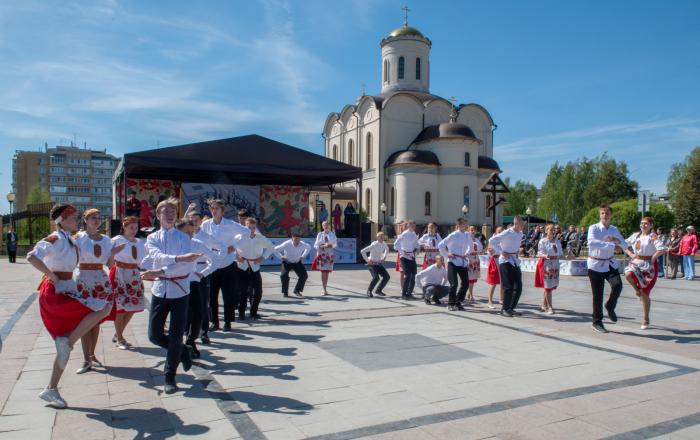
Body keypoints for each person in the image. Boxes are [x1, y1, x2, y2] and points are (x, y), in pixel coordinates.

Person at [27, 204, 115, 408]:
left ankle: (51, 388)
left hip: (67, 288)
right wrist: (51, 275)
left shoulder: (68, 239)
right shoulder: (56, 238)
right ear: (62, 220)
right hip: (56, 292)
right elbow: (32, 256)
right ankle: (66, 343)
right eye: (73, 217)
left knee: (102, 307)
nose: (76, 220)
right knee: (102, 307)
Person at [143, 198, 202, 394]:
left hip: (180, 292)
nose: (169, 214)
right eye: (165, 211)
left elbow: (186, 266)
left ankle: (170, 377)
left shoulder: (184, 238)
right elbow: (157, 256)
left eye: (172, 211)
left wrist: (160, 271)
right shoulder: (152, 239)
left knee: (176, 336)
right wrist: (177, 259)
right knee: (154, 335)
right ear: (158, 215)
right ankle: (183, 351)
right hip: (160, 291)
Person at [72, 208, 124, 374]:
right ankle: (86, 359)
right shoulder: (78, 238)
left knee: (95, 320)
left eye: (98, 217)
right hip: (83, 280)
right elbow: (70, 257)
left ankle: (91, 354)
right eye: (93, 218)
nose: (96, 220)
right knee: (84, 321)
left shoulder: (107, 240)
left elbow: (109, 264)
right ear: (85, 220)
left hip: (100, 280)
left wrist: (114, 253)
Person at [183, 203, 228, 344]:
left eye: (196, 221)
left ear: (200, 221)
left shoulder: (205, 236)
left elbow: (222, 248)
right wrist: (187, 210)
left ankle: (204, 332)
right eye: (191, 220)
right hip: (185, 273)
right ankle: (187, 330)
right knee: (186, 304)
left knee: (203, 304)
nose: (193, 223)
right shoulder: (182, 236)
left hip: (201, 272)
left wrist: (210, 268)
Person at [586, 205, 635, 333]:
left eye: (607, 213)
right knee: (598, 295)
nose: (605, 215)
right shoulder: (594, 228)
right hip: (595, 265)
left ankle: (610, 305)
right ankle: (597, 322)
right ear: (599, 215)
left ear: (611, 215)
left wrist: (619, 243)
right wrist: (612, 245)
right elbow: (591, 242)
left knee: (618, 285)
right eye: (602, 213)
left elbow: (623, 244)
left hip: (609, 264)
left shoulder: (614, 229)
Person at [200, 199, 246, 331]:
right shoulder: (206, 225)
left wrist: (235, 246)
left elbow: (246, 232)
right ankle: (214, 321)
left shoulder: (230, 224)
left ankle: (228, 321)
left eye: (217, 208)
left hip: (228, 264)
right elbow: (201, 238)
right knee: (212, 296)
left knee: (228, 295)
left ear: (222, 210)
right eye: (212, 208)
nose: (214, 211)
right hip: (212, 264)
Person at [177, 219, 219, 357]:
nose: (189, 235)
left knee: (198, 313)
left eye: (191, 231)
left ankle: (191, 340)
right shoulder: (172, 245)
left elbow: (214, 259)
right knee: (181, 315)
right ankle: (176, 344)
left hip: (193, 282)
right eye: (186, 232)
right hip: (175, 284)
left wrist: (203, 273)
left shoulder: (197, 243)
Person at [109, 216, 147, 350]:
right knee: (120, 308)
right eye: (131, 227)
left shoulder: (140, 242)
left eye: (136, 227)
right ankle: (120, 338)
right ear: (124, 227)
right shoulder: (116, 240)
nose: (134, 230)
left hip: (134, 274)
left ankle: (118, 333)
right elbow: (108, 257)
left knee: (133, 306)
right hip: (120, 273)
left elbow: (144, 260)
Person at [624, 217, 666, 330]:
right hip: (637, 262)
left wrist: (653, 257)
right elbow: (623, 244)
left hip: (649, 266)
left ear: (651, 225)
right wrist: (630, 253)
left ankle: (646, 318)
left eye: (646, 224)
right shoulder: (636, 235)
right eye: (642, 223)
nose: (643, 225)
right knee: (628, 274)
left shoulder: (652, 236)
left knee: (645, 292)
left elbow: (661, 248)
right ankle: (636, 290)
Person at [233, 217, 274, 319]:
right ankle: (241, 313)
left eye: (253, 227)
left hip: (255, 266)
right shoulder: (238, 237)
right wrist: (237, 257)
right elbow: (229, 248)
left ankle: (253, 312)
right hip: (242, 266)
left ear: (255, 228)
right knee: (242, 291)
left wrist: (262, 257)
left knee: (258, 291)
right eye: (248, 227)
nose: (251, 229)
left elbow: (271, 247)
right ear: (245, 227)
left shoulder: (260, 238)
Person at [489, 216, 525, 317]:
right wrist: (502, 252)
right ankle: (504, 309)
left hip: (514, 260)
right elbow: (492, 241)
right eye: (522, 224)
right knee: (508, 286)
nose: (523, 226)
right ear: (516, 223)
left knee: (518, 286)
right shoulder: (507, 232)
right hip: (505, 261)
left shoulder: (520, 233)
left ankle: (511, 308)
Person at [438, 218, 474, 311]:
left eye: (467, 224)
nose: (467, 226)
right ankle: (450, 303)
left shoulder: (467, 235)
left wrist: (467, 253)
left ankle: (458, 302)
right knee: (454, 284)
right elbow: (441, 245)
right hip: (453, 262)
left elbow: (471, 246)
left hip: (462, 262)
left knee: (466, 283)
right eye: (465, 224)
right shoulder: (453, 235)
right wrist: (447, 254)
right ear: (460, 225)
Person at [534, 224, 565, 315]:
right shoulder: (543, 241)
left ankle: (544, 305)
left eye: (554, 230)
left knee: (550, 286)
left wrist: (563, 255)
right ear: (546, 231)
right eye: (551, 230)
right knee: (547, 286)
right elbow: (539, 253)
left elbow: (560, 252)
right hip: (546, 264)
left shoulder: (557, 241)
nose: (553, 231)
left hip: (555, 264)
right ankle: (550, 307)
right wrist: (545, 255)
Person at [275, 233, 310, 297]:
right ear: (292, 239)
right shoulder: (286, 244)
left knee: (304, 276)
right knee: (283, 276)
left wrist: (303, 256)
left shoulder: (303, 244)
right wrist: (281, 257)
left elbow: (309, 247)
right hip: (287, 262)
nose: (297, 241)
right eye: (295, 240)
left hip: (297, 262)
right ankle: (285, 292)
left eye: (298, 240)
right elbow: (275, 249)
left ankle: (297, 290)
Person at [394, 220, 420, 300]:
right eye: (411, 225)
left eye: (414, 225)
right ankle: (404, 294)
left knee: (414, 275)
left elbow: (416, 244)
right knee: (407, 275)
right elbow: (395, 245)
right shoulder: (404, 234)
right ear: (408, 226)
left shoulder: (414, 234)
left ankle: (409, 293)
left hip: (412, 256)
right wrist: (403, 252)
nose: (413, 227)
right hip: (404, 257)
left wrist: (417, 249)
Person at [360, 232, 390, 297]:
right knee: (376, 278)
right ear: (377, 237)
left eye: (383, 236)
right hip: (372, 264)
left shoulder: (384, 243)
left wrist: (384, 257)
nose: (382, 238)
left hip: (378, 263)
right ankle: (369, 291)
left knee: (387, 277)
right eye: (381, 237)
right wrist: (367, 260)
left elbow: (387, 249)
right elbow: (362, 251)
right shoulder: (374, 245)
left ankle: (378, 290)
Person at [312, 220, 337, 295]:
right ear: (322, 227)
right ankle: (324, 289)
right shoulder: (320, 234)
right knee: (323, 272)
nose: (326, 226)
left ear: (329, 226)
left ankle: (325, 288)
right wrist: (322, 246)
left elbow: (336, 245)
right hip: (322, 255)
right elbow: (315, 245)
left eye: (327, 225)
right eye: (324, 225)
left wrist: (330, 245)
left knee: (327, 272)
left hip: (329, 255)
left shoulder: (332, 234)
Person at [485, 226, 504, 309]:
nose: (501, 233)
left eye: (502, 231)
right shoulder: (492, 240)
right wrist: (489, 250)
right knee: (493, 283)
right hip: (495, 261)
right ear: (496, 232)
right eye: (499, 232)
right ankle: (489, 301)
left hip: (502, 261)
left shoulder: (503, 240)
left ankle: (502, 299)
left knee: (503, 282)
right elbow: (489, 251)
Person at [466, 225, 483, 303]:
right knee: (470, 278)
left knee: (473, 279)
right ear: (468, 231)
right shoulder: (466, 240)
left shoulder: (477, 240)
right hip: (469, 259)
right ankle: (471, 295)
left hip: (476, 259)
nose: (472, 231)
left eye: (473, 230)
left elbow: (481, 249)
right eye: (471, 230)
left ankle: (470, 293)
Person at [395, 221, 406, 288]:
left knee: (409, 272)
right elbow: (396, 246)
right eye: (404, 226)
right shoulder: (400, 235)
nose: (406, 227)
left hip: (409, 254)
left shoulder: (410, 234)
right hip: (402, 254)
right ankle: (402, 288)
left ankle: (407, 287)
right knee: (402, 272)